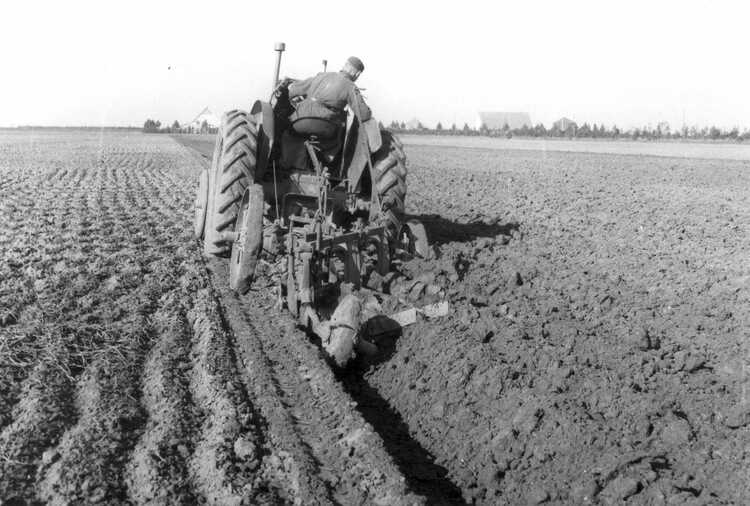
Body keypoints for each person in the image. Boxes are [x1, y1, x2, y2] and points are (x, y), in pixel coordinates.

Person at [287, 56, 372, 137]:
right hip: (323, 126)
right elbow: (364, 114)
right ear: (357, 73)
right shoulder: (350, 86)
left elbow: (292, 89)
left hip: (298, 121)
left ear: (345, 66)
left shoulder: (321, 75)